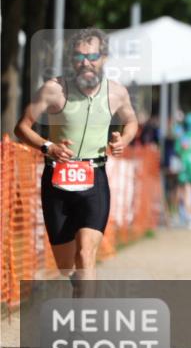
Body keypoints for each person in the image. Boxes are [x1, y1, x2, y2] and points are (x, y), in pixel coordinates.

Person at [14, 27, 138, 295]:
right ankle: (82, 287)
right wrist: (48, 147)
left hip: (94, 179)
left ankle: (84, 323)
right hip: (57, 179)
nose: (86, 62)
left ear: (104, 57)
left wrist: (122, 141)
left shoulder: (116, 92)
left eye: (92, 55)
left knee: (86, 254)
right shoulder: (53, 90)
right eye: (79, 56)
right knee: (65, 264)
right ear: (71, 60)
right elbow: (22, 127)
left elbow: (131, 122)